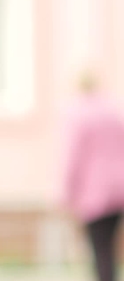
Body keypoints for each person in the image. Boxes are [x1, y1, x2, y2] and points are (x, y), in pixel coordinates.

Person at [63, 71, 124, 281]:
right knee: (109, 248)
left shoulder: (78, 114)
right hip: (118, 190)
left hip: (95, 193)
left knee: (99, 248)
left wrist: (66, 194)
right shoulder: (113, 113)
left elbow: (72, 157)